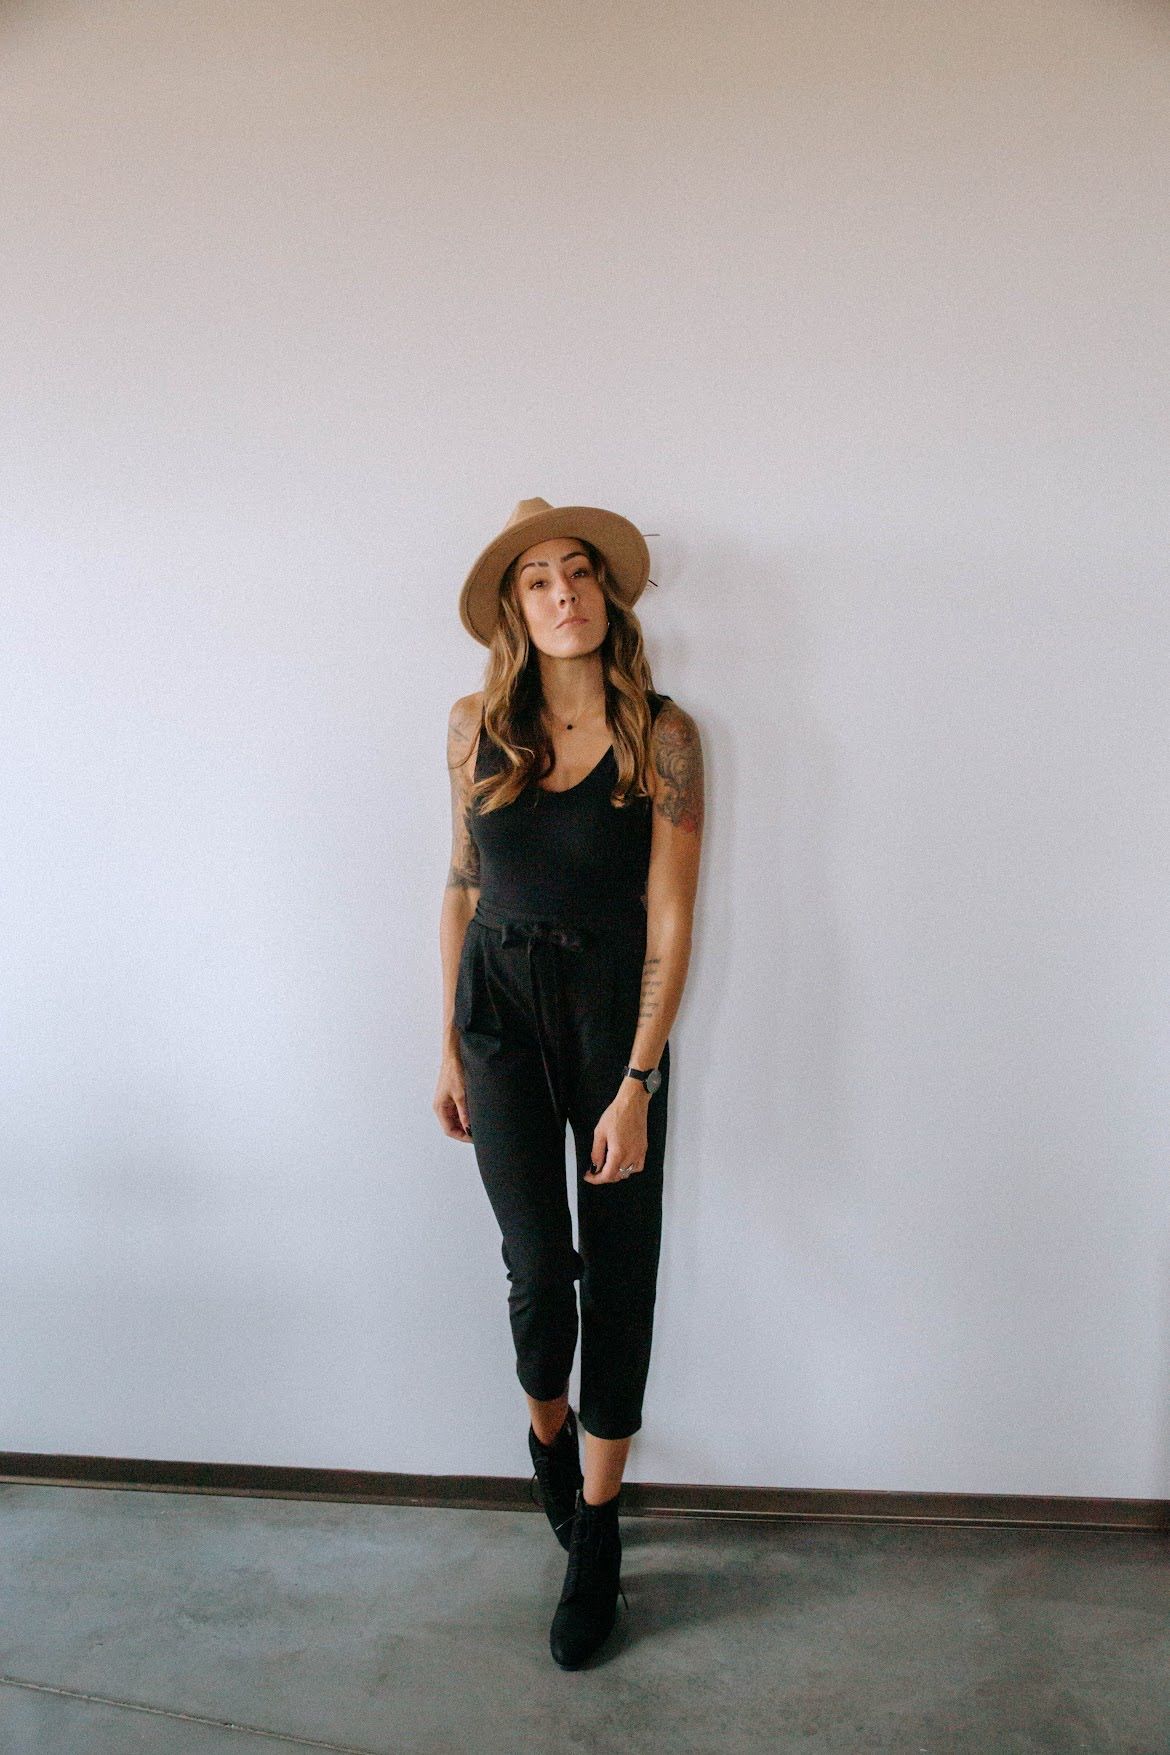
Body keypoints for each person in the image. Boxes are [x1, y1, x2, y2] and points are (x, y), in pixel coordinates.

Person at [433, 496, 704, 1669]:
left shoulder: (665, 735)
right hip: (494, 1013)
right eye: (537, 579)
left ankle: (597, 1533)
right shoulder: (471, 730)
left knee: (622, 1266)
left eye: (579, 572)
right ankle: (546, 1430)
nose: (562, 594)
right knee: (540, 1270)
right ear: (514, 609)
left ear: (608, 595)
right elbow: (458, 884)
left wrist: (639, 1078)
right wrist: (447, 1040)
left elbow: (673, 914)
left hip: (611, 1024)